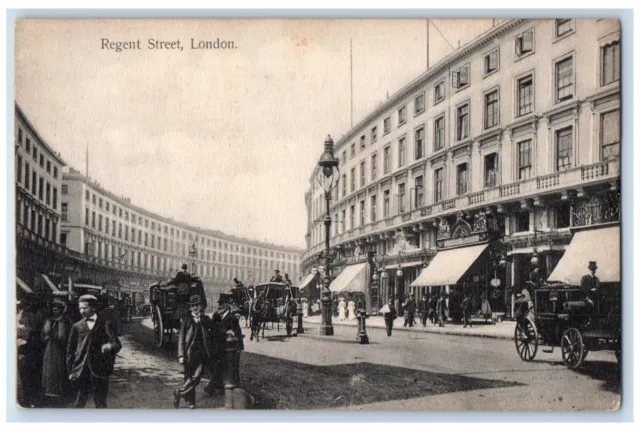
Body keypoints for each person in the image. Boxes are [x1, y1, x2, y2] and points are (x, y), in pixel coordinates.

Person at [67, 294, 122, 409]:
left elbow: (117, 344)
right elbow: (70, 351)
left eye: (85, 308)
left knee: (100, 402)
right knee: (79, 401)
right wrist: (71, 370)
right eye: (80, 308)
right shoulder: (76, 327)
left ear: (93, 308)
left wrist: (110, 347)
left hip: (100, 370)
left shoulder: (105, 324)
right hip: (81, 370)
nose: (82, 311)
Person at [173, 295, 215, 409]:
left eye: (198, 305)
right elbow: (181, 339)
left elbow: (216, 330)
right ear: (190, 308)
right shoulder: (186, 321)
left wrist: (228, 331)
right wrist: (181, 355)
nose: (196, 307)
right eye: (193, 306)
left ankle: (180, 392)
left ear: (201, 306)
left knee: (197, 375)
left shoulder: (206, 319)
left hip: (202, 353)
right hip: (189, 354)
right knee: (188, 377)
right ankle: (192, 402)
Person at [205, 294, 244, 396]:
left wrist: (238, 348)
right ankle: (220, 386)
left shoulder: (232, 319)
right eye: (219, 304)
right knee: (218, 366)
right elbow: (213, 329)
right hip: (219, 347)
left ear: (227, 305)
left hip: (229, 349)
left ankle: (213, 387)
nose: (219, 306)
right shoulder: (218, 316)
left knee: (226, 367)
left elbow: (237, 334)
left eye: (221, 304)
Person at [41, 297, 72, 407]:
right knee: (49, 370)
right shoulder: (49, 320)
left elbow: (65, 337)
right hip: (50, 349)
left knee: (59, 369)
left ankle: (61, 394)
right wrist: (47, 337)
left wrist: (57, 338)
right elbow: (43, 335)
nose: (55, 310)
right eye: (53, 308)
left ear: (61, 309)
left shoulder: (65, 321)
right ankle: (49, 394)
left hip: (61, 350)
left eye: (57, 308)